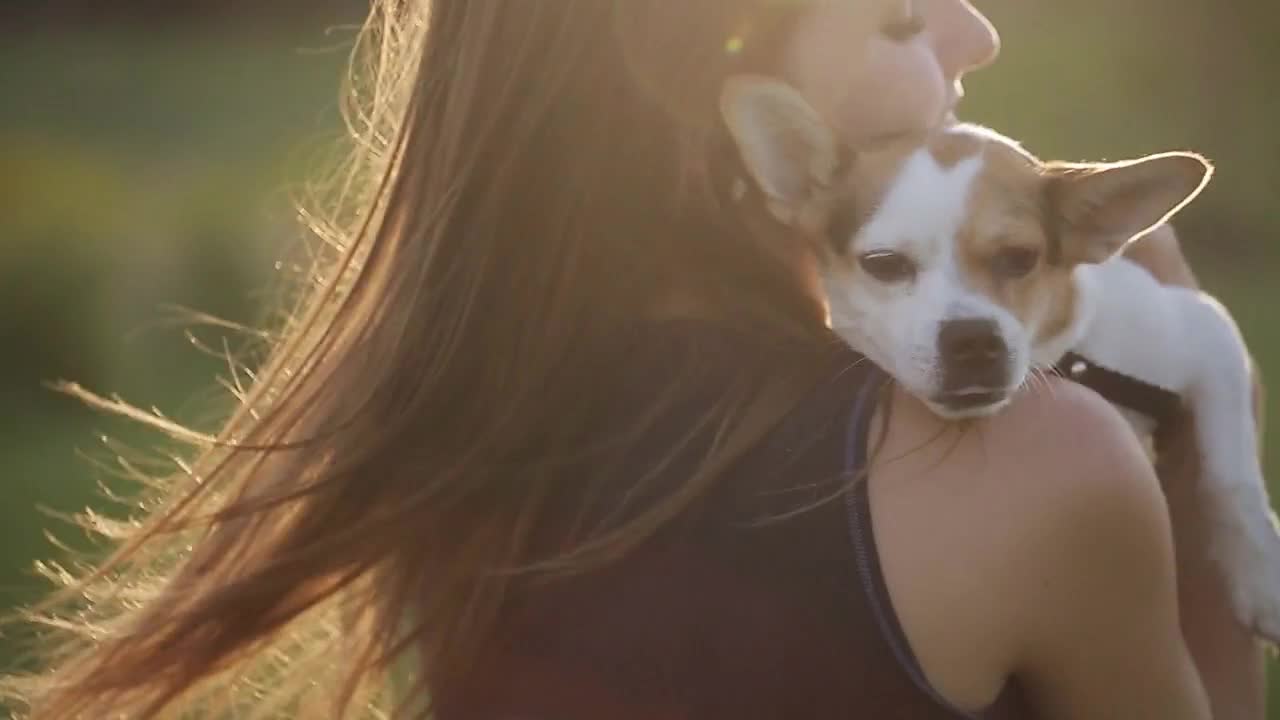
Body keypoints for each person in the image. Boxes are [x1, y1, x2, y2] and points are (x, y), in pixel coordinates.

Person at [3, 0, 1265, 718]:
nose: (976, 33)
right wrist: (1179, 373)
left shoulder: (463, 421)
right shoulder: (1029, 466)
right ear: (721, 94)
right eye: (893, 12)